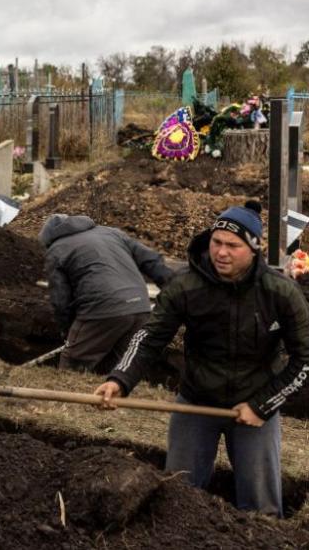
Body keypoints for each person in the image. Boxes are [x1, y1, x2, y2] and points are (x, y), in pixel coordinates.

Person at [95, 201, 309, 516]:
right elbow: (150, 337)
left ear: (254, 248)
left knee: (262, 509)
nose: (221, 252)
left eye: (232, 246)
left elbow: (304, 358)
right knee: (176, 497)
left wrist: (262, 405)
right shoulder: (186, 285)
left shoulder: (280, 292)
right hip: (196, 400)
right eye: (216, 242)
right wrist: (119, 379)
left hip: (255, 403)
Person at [39, 213, 174, 373]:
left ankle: (58, 398)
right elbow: (150, 260)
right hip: (140, 308)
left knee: (72, 365)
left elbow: (61, 299)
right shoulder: (111, 233)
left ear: (48, 238)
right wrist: (172, 287)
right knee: (117, 368)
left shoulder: (56, 250)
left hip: (101, 310)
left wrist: (68, 330)